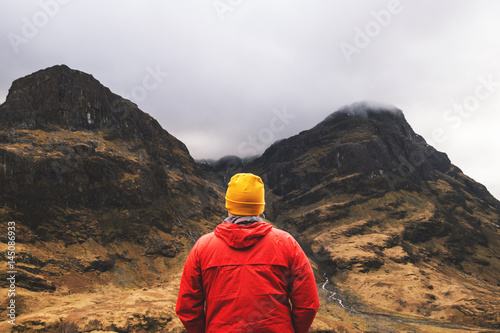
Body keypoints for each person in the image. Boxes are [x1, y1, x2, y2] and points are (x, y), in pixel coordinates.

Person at [176, 173, 319, 332]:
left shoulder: (203, 246)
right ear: (260, 206)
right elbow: (307, 303)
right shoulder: (286, 243)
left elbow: (187, 308)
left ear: (229, 205)